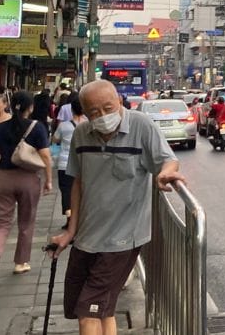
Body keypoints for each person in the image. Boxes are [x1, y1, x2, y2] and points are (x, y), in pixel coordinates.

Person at [49, 80, 184, 335]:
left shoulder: (141, 125)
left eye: (107, 108)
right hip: (87, 238)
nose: (101, 116)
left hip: (123, 239)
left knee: (87, 311)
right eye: (93, 112)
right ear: (84, 113)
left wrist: (165, 174)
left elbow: (168, 160)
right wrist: (70, 231)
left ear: (119, 102)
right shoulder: (81, 133)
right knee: (102, 310)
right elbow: (78, 183)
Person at [0, 91, 53, 283]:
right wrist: (49, 179)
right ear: (31, 108)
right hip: (28, 179)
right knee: (26, 222)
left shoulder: (1, 128)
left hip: (3, 178)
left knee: (0, 221)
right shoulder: (37, 128)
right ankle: (21, 263)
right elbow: (45, 156)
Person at [52, 96, 85, 228]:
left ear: (71, 110)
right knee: (81, 191)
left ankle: (70, 219)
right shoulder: (87, 125)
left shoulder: (64, 126)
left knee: (66, 192)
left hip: (64, 163)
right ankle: (80, 219)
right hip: (82, 163)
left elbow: (55, 140)